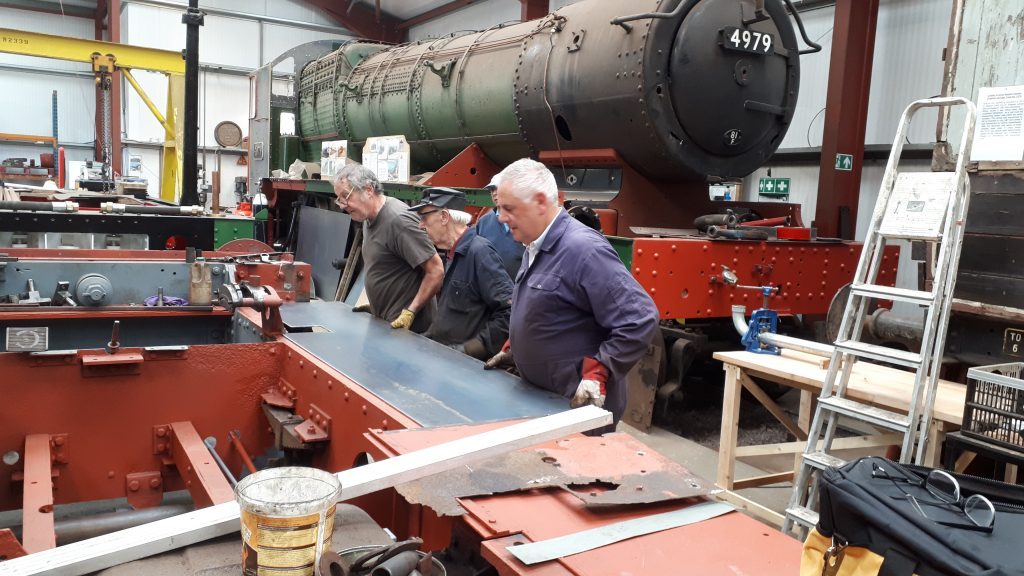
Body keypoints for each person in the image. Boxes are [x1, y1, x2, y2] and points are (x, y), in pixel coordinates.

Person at [483, 158, 658, 426]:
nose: (500, 218)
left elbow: (639, 318)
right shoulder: (535, 245)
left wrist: (599, 371)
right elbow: (547, 307)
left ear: (541, 202)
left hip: (577, 409)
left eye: (508, 208)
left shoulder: (583, 250)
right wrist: (515, 347)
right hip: (544, 401)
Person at [333, 164, 443, 333]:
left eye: (346, 196)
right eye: (339, 199)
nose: (342, 205)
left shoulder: (399, 220)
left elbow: (435, 270)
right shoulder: (367, 219)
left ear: (369, 190)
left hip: (408, 331)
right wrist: (378, 305)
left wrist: (410, 312)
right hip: (386, 322)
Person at [410, 187, 513, 360]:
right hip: (445, 359)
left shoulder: (480, 253)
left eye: (424, 217)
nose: (421, 224)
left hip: (464, 367)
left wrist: (473, 348)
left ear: (444, 217)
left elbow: (509, 313)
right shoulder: (453, 253)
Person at [475, 173, 525, 280]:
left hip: (521, 288)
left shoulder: (526, 220)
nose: (494, 193)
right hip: (491, 288)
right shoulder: (483, 222)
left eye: (498, 188)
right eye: (492, 190)